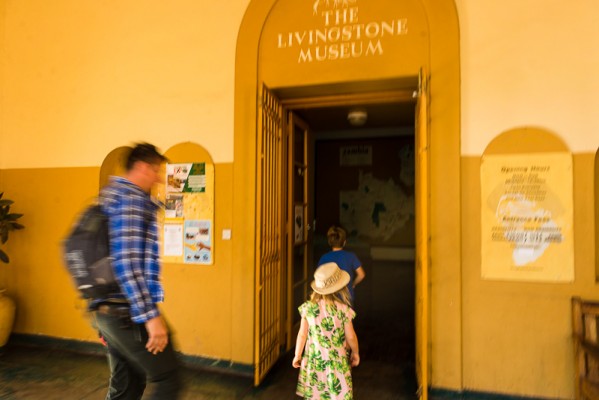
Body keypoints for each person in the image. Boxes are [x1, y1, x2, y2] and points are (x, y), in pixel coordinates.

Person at [93, 142, 181, 399]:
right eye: (156, 170)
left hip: (109, 310)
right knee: (169, 379)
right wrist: (151, 316)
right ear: (142, 167)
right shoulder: (131, 200)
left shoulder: (110, 197)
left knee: (126, 387)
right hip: (127, 311)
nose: (159, 178)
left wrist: (102, 320)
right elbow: (127, 263)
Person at [292, 262, 360, 399]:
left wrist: (297, 355)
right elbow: (351, 336)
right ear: (340, 287)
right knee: (337, 394)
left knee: (315, 395)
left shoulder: (308, 309)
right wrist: (355, 352)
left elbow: (302, 334)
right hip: (337, 362)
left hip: (315, 362)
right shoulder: (343, 310)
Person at [318, 225, 365, 301]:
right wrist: (353, 284)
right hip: (347, 296)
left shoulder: (324, 258)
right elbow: (361, 275)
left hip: (330, 296)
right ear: (344, 242)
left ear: (329, 242)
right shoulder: (351, 256)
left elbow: (320, 277)